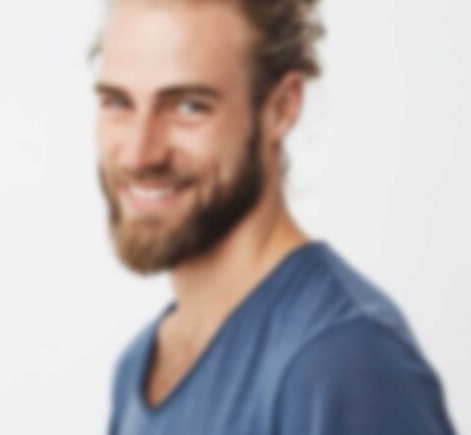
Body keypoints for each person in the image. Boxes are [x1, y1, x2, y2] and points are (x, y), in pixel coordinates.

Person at [90, 0, 457, 433]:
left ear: (281, 108)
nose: (139, 154)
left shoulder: (342, 359)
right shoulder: (136, 369)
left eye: (190, 107)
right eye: (118, 102)